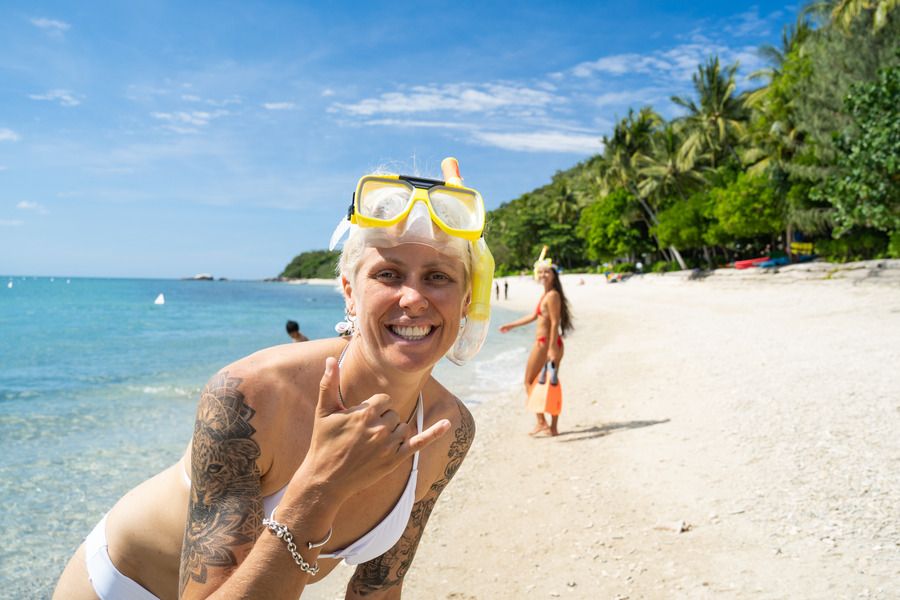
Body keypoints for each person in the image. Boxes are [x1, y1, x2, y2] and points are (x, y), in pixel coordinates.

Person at [54, 157, 494, 600]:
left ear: (466, 301)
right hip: (119, 587)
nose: (414, 298)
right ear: (349, 291)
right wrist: (322, 486)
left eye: (437, 277)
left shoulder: (447, 430)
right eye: (388, 274)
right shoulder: (250, 396)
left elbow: (379, 588)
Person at [498, 261, 572, 436]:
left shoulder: (552, 295)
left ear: (554, 275)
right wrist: (511, 325)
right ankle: (550, 426)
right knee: (549, 384)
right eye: (541, 272)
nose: (543, 275)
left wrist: (552, 348)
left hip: (546, 344)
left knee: (531, 381)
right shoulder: (546, 295)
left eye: (547, 272)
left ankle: (543, 422)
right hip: (546, 343)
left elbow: (555, 322)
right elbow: (534, 316)